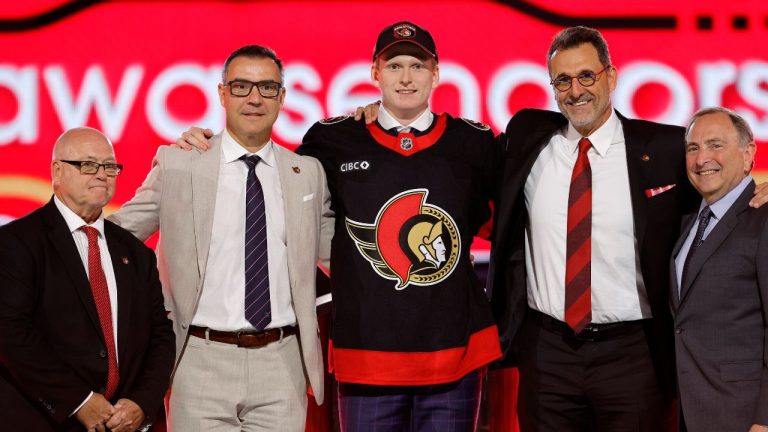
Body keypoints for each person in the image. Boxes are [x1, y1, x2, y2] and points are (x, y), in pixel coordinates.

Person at [177, 21, 502, 431]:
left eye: (418, 66)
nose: (406, 77)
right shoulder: (332, 141)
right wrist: (201, 147)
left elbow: (507, 226)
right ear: (374, 73)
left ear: (436, 73)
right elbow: (266, 179)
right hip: (365, 358)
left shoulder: (474, 143)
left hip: (454, 356)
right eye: (394, 65)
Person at [109, 45, 333, 431]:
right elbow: (115, 237)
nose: (254, 98)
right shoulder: (180, 162)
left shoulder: (307, 173)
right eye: (242, 85)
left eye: (266, 87)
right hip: (197, 360)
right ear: (222, 93)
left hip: (282, 362)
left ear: (282, 97)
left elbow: (341, 254)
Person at [489, 26, 699, 431]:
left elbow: (719, 182)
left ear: (611, 77)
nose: (576, 90)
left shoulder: (667, 148)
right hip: (548, 353)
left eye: (587, 75)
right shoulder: (529, 138)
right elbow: (458, 156)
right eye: (562, 80)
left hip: (635, 356)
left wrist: (755, 192)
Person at [0, 127, 175, 432]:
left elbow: (160, 336)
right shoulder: (17, 242)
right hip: (41, 419)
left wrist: (141, 402)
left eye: (110, 166)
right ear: (57, 171)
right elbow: (9, 332)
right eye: (88, 165)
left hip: (121, 423)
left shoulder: (135, 252)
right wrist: (79, 401)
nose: (102, 174)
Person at [672, 107, 768, 432]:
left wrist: (765, 419)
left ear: (747, 153)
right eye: (693, 148)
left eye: (716, 145)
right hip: (690, 410)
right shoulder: (689, 220)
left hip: (743, 415)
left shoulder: (763, 218)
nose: (702, 159)